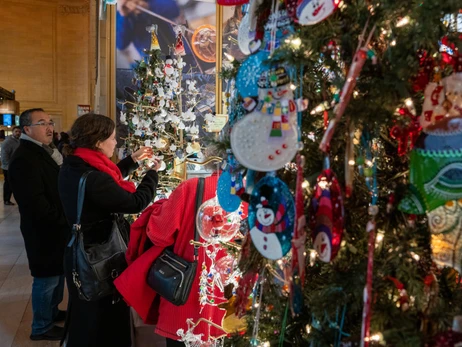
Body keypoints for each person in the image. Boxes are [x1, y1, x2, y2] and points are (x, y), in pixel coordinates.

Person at [58, 113, 160, 347]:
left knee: (86, 313)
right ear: (97, 142)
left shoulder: (76, 163)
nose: (116, 143)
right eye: (113, 138)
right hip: (98, 257)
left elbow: (106, 181)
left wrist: (132, 161)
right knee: (102, 317)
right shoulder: (94, 177)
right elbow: (134, 202)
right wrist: (153, 174)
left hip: (80, 251)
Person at [114, 146, 227, 346]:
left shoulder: (192, 187)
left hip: (189, 289)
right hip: (234, 294)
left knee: (183, 338)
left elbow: (160, 234)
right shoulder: (253, 195)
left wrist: (160, 207)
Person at [8, 108, 68, 341]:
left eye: (50, 122)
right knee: (46, 277)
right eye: (42, 123)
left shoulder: (43, 151)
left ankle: (51, 313)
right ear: (26, 129)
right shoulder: (25, 157)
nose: (49, 127)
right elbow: (34, 204)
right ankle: (41, 327)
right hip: (43, 229)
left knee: (56, 273)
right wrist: (62, 219)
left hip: (55, 226)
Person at [1, 126, 21, 205]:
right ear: (13, 132)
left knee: (15, 184)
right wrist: (9, 166)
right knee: (8, 184)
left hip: (16, 167)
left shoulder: (19, 141)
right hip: (8, 167)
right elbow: (4, 156)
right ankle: (6, 200)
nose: (18, 133)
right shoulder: (8, 142)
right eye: (16, 131)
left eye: (19, 132)